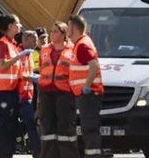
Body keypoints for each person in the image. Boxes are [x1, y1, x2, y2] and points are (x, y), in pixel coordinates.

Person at [0, 13, 30, 158]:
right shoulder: (3, 44)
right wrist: (20, 56)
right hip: (3, 90)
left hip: (11, 90)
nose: (20, 26)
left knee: (11, 122)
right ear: (11, 26)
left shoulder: (11, 45)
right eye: (17, 23)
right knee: (5, 122)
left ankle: (6, 153)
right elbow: (3, 64)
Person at [39, 21, 78, 158]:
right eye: (51, 31)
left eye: (55, 31)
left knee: (65, 127)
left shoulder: (72, 50)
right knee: (47, 126)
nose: (52, 34)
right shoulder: (44, 49)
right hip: (46, 92)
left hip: (65, 93)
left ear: (63, 34)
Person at [67, 15, 103, 158]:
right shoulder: (81, 43)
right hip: (87, 93)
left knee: (89, 128)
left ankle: (93, 156)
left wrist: (86, 86)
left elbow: (94, 65)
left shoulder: (82, 45)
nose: (67, 29)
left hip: (88, 93)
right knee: (89, 127)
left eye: (68, 26)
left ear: (74, 28)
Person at [17, 30, 40, 157]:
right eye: (34, 40)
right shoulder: (18, 53)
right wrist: (35, 78)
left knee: (31, 123)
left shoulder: (30, 55)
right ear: (26, 40)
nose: (36, 42)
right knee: (6, 124)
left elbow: (29, 73)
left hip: (27, 96)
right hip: (16, 96)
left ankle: (37, 151)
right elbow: (18, 74)